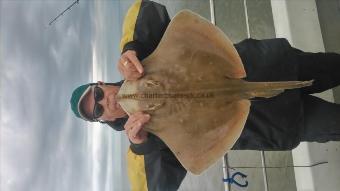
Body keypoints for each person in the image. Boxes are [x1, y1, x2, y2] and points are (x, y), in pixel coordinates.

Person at [70, 0, 340, 190]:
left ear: (101, 83)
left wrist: (132, 48)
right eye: (98, 109)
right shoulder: (140, 147)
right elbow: (155, 188)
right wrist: (143, 143)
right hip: (277, 123)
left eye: (98, 94)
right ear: (102, 120)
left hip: (275, 64)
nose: (106, 101)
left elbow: (145, 7)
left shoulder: (140, 56)